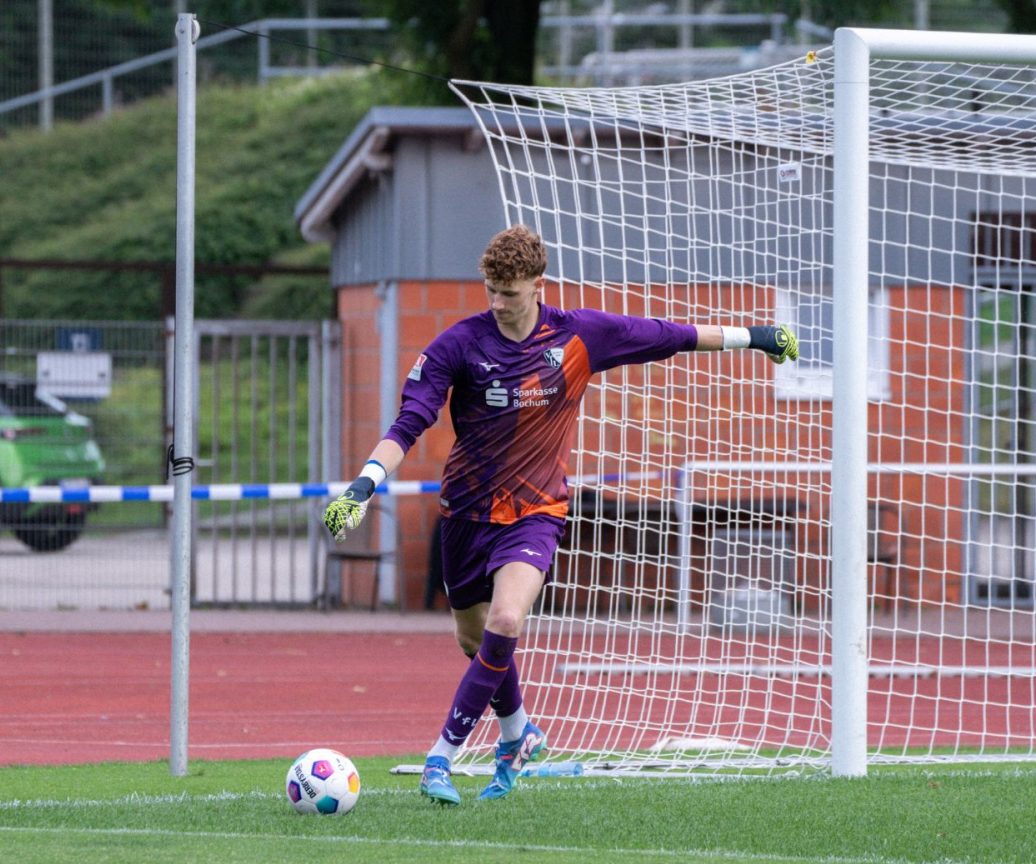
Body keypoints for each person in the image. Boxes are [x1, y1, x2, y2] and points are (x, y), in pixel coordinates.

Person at [323, 224, 798, 805]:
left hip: (536, 512)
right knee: (476, 642)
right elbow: (410, 422)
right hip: (467, 516)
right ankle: (519, 730)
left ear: (538, 285)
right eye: (491, 291)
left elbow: (668, 335)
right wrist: (361, 488)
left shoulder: (579, 335)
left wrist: (755, 335)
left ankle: (440, 759)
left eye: (511, 293)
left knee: (506, 622)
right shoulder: (457, 344)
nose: (498, 303)